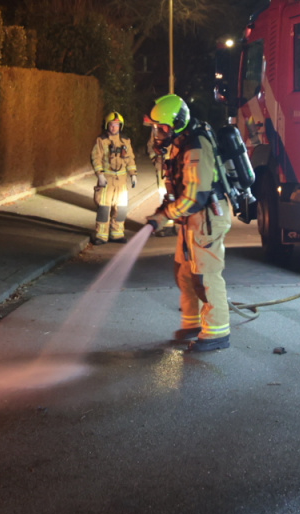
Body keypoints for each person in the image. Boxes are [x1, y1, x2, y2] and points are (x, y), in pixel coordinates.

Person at [150, 94, 232, 352]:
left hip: (207, 218)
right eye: (157, 128)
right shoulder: (180, 142)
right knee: (184, 273)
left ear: (176, 124)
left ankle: (217, 331)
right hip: (192, 219)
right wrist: (165, 210)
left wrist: (164, 215)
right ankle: (193, 323)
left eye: (162, 128)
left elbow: (195, 197)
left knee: (206, 276)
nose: (159, 133)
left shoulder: (196, 146)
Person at [90, 112, 139, 244]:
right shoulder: (101, 140)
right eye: (112, 125)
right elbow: (96, 158)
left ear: (120, 126)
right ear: (107, 125)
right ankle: (101, 236)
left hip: (121, 181)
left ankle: (117, 234)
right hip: (107, 179)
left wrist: (133, 174)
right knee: (104, 208)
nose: (114, 127)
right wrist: (100, 175)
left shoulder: (125, 141)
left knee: (121, 208)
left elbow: (130, 159)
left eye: (117, 125)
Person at [145, 117, 177, 236]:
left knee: (174, 194)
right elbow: (150, 146)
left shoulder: (175, 129)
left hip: (174, 167)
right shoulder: (155, 129)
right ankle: (166, 224)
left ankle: (174, 225)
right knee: (163, 194)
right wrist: (155, 159)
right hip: (161, 168)